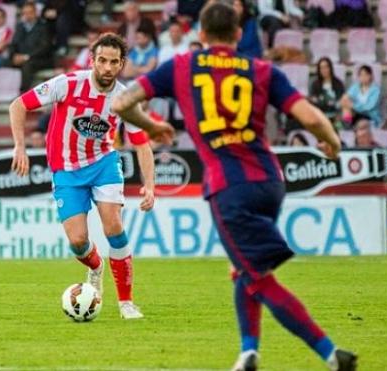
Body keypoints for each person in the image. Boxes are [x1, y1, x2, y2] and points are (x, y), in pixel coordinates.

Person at [111, 3, 356, 370]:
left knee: (257, 276)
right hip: (270, 182)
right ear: (240, 35)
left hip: (229, 187)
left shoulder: (182, 67)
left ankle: (330, 353)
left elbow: (121, 102)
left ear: (201, 35)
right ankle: (248, 353)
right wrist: (333, 144)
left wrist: (150, 125)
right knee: (244, 268)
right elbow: (310, 116)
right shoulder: (260, 69)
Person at [10, 33, 159, 320]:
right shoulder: (67, 84)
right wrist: (20, 146)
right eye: (101, 60)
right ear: (92, 60)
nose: (106, 67)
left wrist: (150, 186)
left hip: (104, 164)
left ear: (121, 64)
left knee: (114, 226)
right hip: (66, 169)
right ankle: (95, 266)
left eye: (113, 62)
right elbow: (18, 105)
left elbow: (142, 143)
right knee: (78, 241)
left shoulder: (125, 99)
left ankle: (126, 302)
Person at [9, 1, 53, 92]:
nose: (28, 15)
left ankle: (23, 94)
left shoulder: (44, 27)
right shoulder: (20, 26)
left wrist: (26, 57)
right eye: (25, 13)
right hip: (21, 57)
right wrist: (14, 55)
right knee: (3, 62)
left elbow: (44, 48)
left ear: (35, 13)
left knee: (27, 65)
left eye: (30, 13)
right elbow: (13, 44)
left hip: (40, 59)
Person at [309, 57, 345, 125]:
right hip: (320, 117)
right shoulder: (315, 84)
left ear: (330, 68)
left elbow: (339, 102)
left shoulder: (338, 84)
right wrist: (328, 103)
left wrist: (322, 101)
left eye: (326, 67)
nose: (324, 70)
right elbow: (313, 101)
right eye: (321, 68)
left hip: (336, 116)